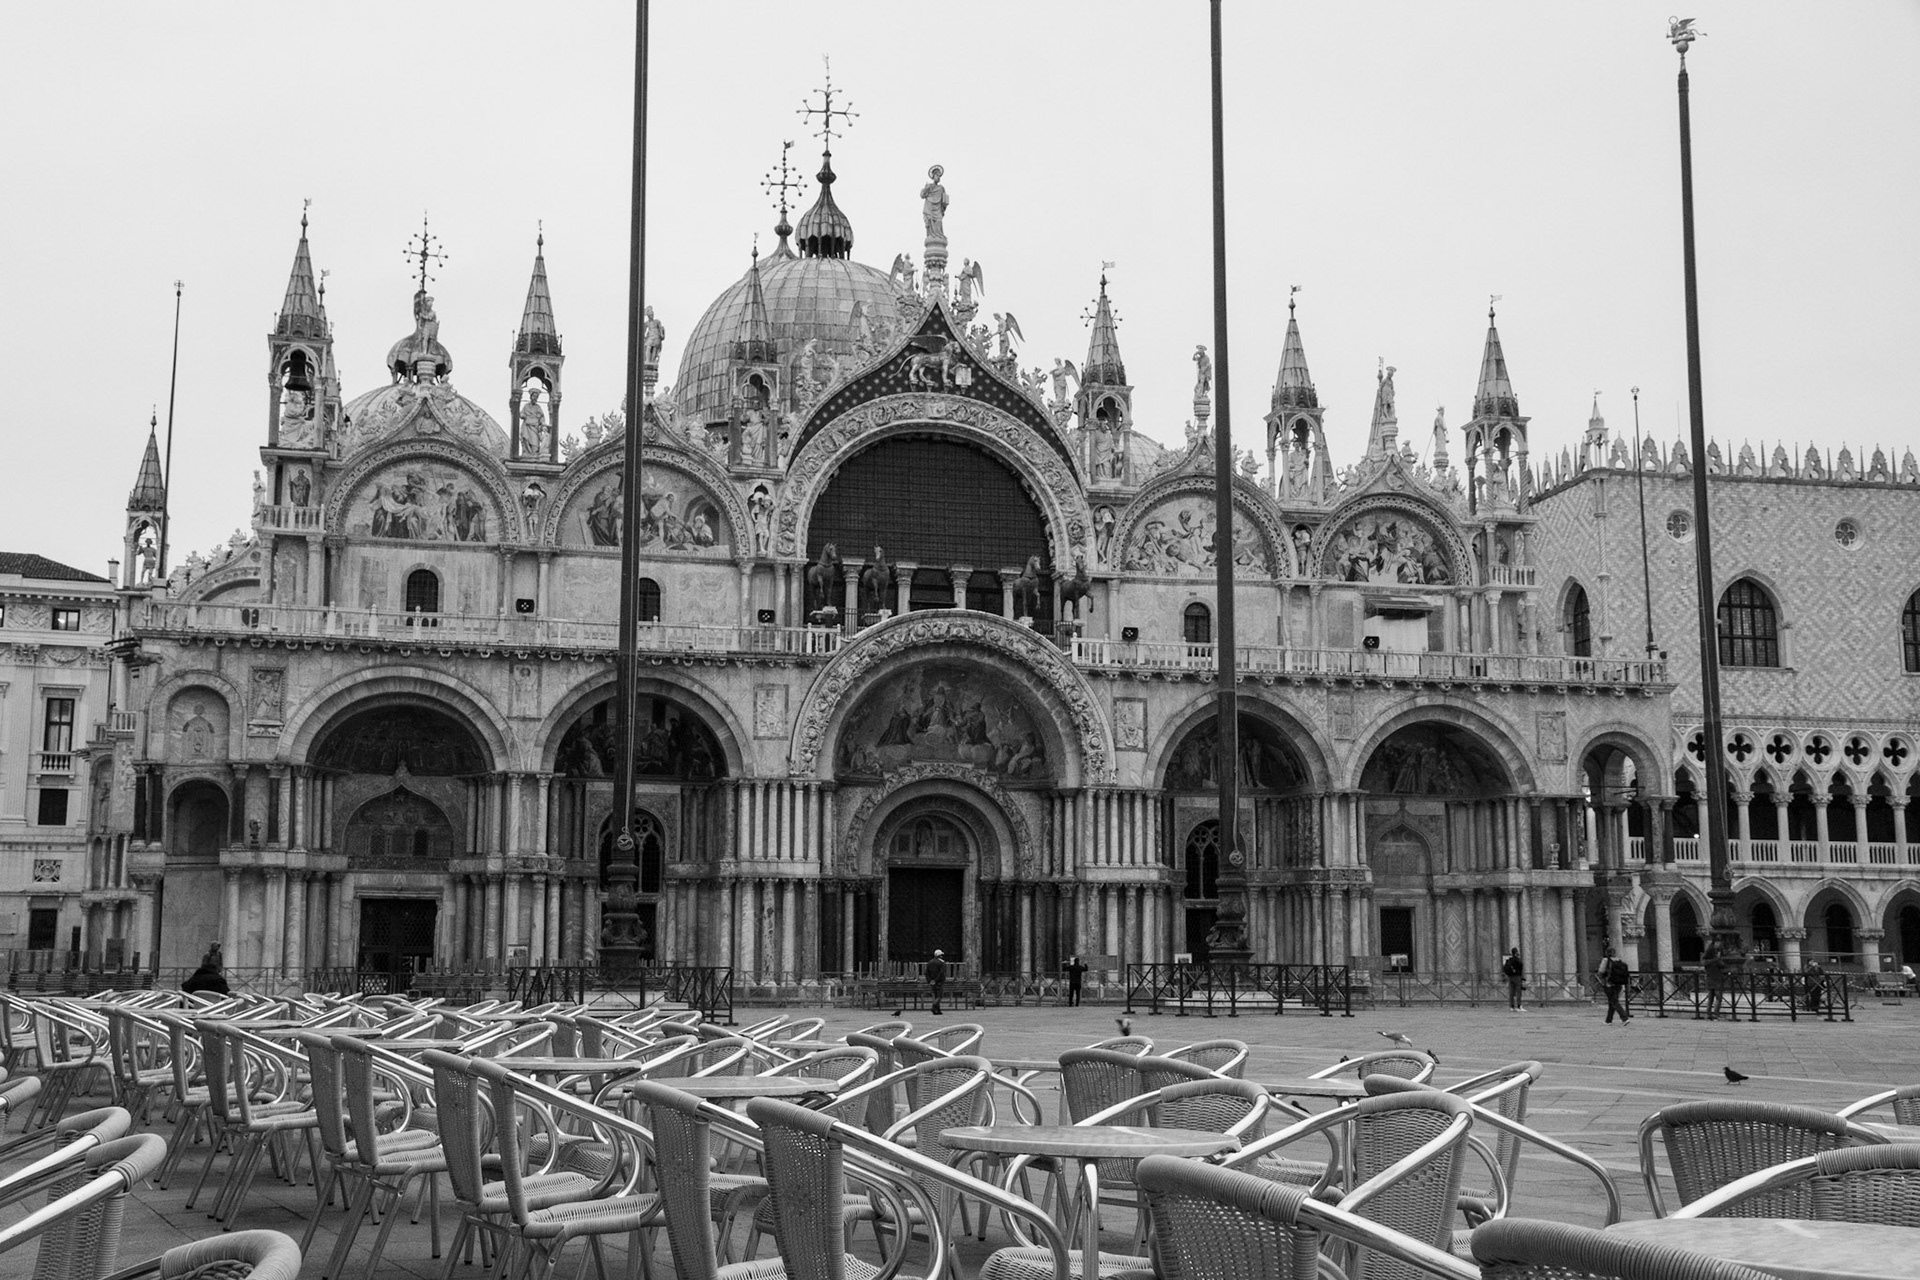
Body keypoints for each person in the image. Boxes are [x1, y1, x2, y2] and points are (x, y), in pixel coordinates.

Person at [1599, 947, 1632, 1024]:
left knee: (1614, 1001)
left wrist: (1601, 976)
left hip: (1609, 983)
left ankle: (1624, 1018)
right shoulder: (1619, 960)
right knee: (1612, 1001)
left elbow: (1601, 971)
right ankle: (1608, 1020)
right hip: (1619, 984)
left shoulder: (1606, 960)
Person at [1702, 935, 1727, 1020]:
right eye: (1718, 942)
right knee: (1718, 997)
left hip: (1709, 977)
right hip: (1717, 978)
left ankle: (1708, 1014)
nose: (1719, 944)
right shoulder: (1715, 958)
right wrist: (1719, 960)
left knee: (1711, 998)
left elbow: (1704, 962)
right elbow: (1722, 965)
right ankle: (1716, 1014)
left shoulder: (1708, 959)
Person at [1502, 946, 1526, 1012]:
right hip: (1517, 977)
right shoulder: (1517, 960)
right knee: (1518, 992)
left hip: (1510, 977)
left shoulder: (1509, 960)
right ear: (1516, 953)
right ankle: (1519, 1006)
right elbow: (1521, 965)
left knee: (1511, 992)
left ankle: (1511, 1006)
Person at [925, 949, 948, 1016]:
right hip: (939, 981)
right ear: (940, 955)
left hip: (932, 982)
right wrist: (936, 980)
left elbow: (926, 973)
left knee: (935, 995)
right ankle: (934, 1006)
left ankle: (937, 1010)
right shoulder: (942, 962)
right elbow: (941, 973)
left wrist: (930, 980)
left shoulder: (930, 962)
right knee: (939, 996)